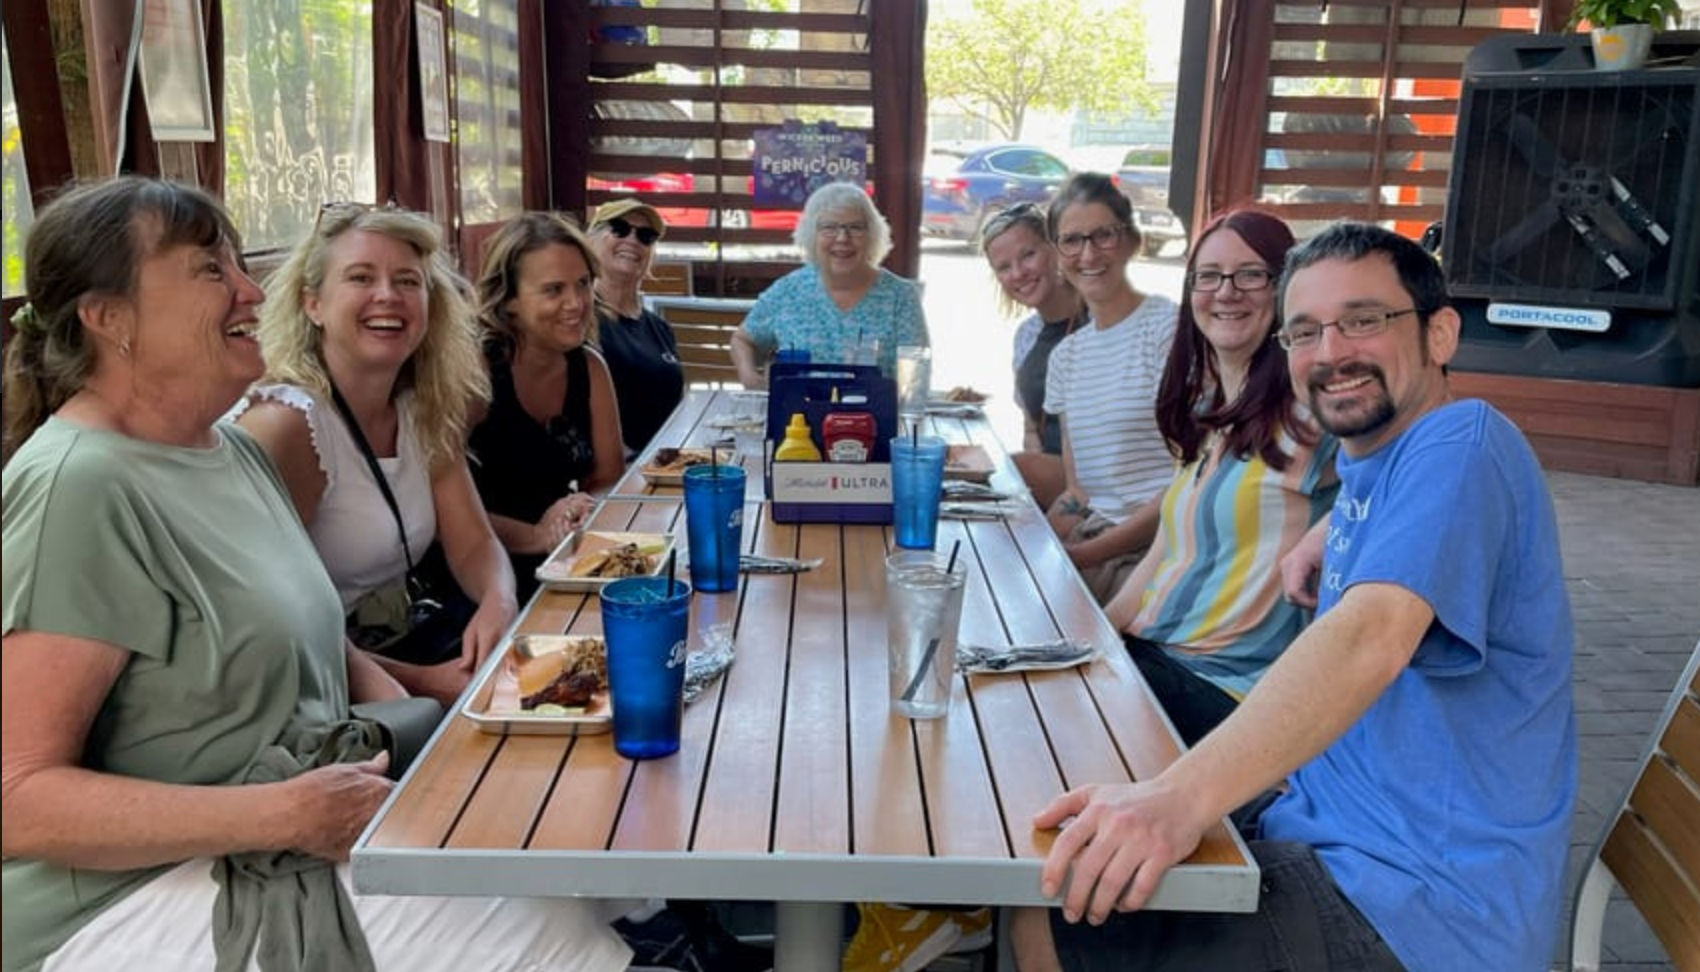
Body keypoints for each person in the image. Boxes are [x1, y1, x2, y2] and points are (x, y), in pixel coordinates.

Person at [1, 177, 633, 972]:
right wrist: (282, 815)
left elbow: (320, 640)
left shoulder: (225, 454)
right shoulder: (80, 486)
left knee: (573, 856)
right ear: (108, 317)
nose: (247, 288)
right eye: (208, 269)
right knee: (555, 944)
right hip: (123, 897)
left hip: (290, 819)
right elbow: (16, 798)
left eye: (237, 262)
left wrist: (407, 715)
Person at [1012, 222, 1576, 972]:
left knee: (1055, 903)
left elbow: (1371, 638)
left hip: (1417, 910)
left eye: (1365, 320)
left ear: (1441, 334)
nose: (1332, 352)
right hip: (1324, 831)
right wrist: (1335, 523)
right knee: (1049, 847)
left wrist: (1177, 802)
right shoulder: (1382, 468)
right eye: (1305, 330)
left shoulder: (1463, 441)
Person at [236, 202, 517, 708]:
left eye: (408, 281)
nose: (388, 295)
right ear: (312, 304)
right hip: (324, 682)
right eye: (361, 278)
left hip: (414, 641)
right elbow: (278, 617)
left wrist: (499, 601)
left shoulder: (420, 406)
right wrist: (428, 683)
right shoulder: (287, 425)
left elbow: (475, 544)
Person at [1101, 210, 1337, 746]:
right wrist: (1095, 642)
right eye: (1208, 276)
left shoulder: (1315, 407)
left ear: (1286, 289)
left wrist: (1332, 524)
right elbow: (1165, 556)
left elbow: (1411, 462)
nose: (1226, 292)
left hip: (1227, 690)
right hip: (1153, 659)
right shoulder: (1211, 409)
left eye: (1251, 274)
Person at [1041, 173, 1180, 603]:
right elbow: (1078, 490)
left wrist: (1081, 554)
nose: (1088, 254)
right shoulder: (1066, 356)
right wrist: (1032, 541)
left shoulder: (1167, 329)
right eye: (1072, 240)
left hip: (1157, 547)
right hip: (1095, 539)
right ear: (1058, 254)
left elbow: (1188, 483)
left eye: (1103, 235)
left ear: (1132, 242)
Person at [471, 211, 624, 598]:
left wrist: (581, 508)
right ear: (509, 302)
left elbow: (607, 477)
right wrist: (537, 536)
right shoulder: (475, 372)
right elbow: (436, 511)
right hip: (479, 576)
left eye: (583, 284)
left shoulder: (589, 367)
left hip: (563, 561)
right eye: (554, 290)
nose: (576, 303)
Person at [730, 182, 928, 387]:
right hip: (799, 416)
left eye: (855, 227)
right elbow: (743, 339)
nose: (843, 238)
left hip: (873, 417)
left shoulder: (901, 298)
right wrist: (749, 375)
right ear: (811, 235)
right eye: (829, 228)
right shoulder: (788, 292)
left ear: (872, 236)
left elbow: (915, 381)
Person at [981, 202, 1087, 510]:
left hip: (1102, 480)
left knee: (1007, 470)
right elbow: (1031, 430)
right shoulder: (1027, 335)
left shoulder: (1100, 320)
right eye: (1003, 267)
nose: (1018, 273)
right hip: (1053, 478)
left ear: (1054, 249)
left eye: (1028, 255)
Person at [586, 199, 685, 456]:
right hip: (614, 473)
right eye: (619, 228)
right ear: (591, 241)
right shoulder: (579, 320)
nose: (632, 240)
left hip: (664, 464)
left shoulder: (659, 328)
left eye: (645, 236)